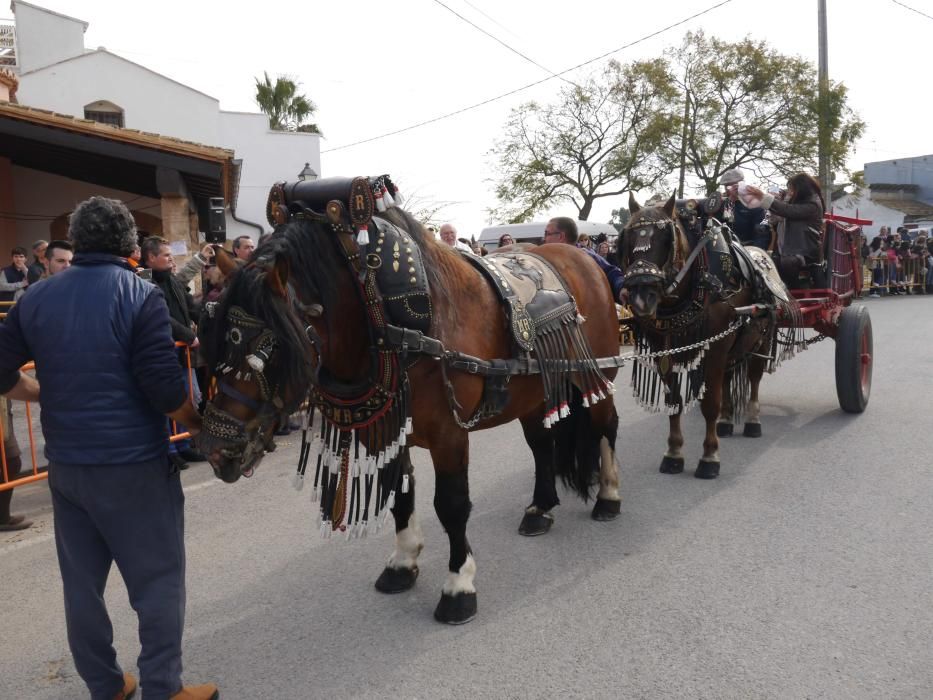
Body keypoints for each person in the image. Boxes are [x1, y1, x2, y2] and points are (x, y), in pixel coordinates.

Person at [0, 196, 218, 700]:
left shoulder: (36, 297)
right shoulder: (140, 296)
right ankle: (163, 688)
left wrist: (36, 393)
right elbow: (165, 390)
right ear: (130, 246)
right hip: (134, 467)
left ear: (75, 242)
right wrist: (199, 427)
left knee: (82, 587)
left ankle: (106, 685)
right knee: (158, 582)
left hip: (68, 469)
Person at [140, 237, 207, 469]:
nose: (171, 258)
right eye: (166, 255)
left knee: (189, 399)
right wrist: (189, 336)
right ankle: (169, 448)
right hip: (161, 353)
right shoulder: (143, 281)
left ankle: (184, 445)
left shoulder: (171, 279)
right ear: (151, 258)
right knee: (169, 402)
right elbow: (161, 316)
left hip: (182, 355)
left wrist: (209, 326)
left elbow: (190, 307)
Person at [745, 173, 825, 288]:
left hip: (806, 251)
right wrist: (778, 201)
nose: (790, 192)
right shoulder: (795, 201)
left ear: (801, 188)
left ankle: (791, 290)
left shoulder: (813, 204)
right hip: (789, 250)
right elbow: (776, 218)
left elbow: (788, 211)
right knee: (765, 262)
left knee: (785, 263)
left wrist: (764, 197)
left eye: (792, 189)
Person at [543, 217, 625, 303]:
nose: (544, 238)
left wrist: (621, 288)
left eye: (547, 233)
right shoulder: (543, 259)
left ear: (561, 236)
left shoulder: (585, 255)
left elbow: (611, 273)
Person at [719, 169, 767, 248]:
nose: (733, 188)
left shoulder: (754, 204)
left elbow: (761, 235)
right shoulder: (722, 205)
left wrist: (754, 254)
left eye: (736, 184)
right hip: (725, 249)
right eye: (728, 186)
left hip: (747, 250)